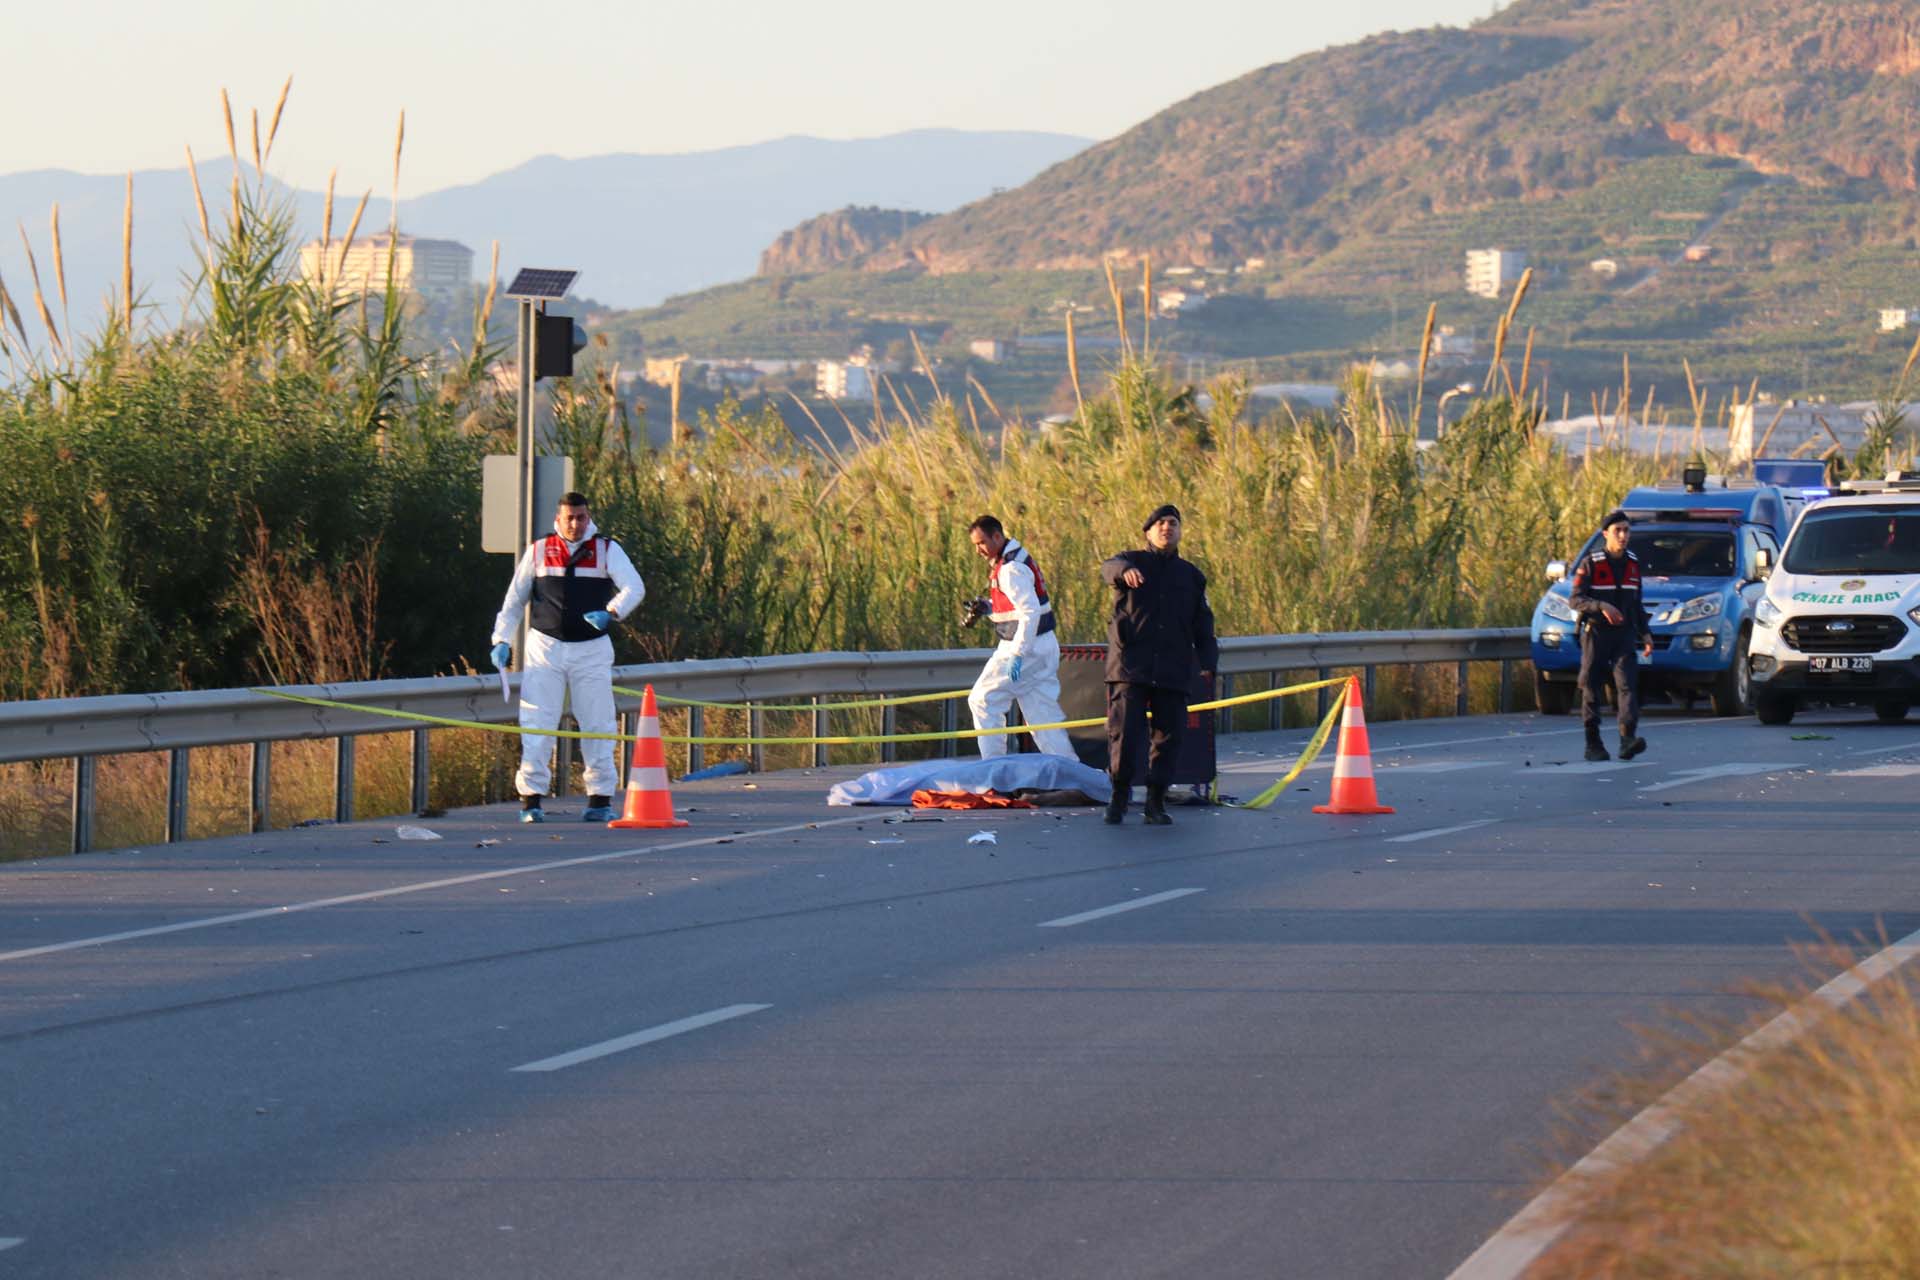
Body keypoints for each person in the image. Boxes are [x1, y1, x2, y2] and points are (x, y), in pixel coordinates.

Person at [489, 492, 646, 822]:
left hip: (592, 648)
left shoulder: (606, 550)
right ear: (558, 520)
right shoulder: (539, 550)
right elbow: (514, 600)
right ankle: (531, 800)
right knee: (537, 721)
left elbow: (634, 586)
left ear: (588, 518)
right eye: (569, 518)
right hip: (545, 647)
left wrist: (612, 612)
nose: (575, 523)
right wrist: (501, 639)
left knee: (597, 722)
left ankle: (600, 798)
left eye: (581, 517)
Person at [1100, 504, 1217, 825]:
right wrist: (1124, 572)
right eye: (1161, 523)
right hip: (1130, 667)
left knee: (1168, 738)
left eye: (1173, 523)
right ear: (1148, 531)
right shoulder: (1130, 561)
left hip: (1172, 669)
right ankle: (1119, 798)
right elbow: (1108, 567)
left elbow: (1203, 624)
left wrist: (1208, 662)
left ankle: (1155, 803)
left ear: (1180, 531)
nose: (1167, 528)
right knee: (1125, 735)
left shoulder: (1192, 576)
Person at [962, 515, 1074, 759]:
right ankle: (1072, 773)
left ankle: (995, 770)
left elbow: (1030, 613)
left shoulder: (1010, 569)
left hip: (1025, 646)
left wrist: (1018, 654)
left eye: (981, 543)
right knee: (1042, 716)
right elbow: (1021, 606)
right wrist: (989, 608)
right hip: (1043, 644)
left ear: (997, 537)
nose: (979, 550)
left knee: (983, 700)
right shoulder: (1014, 560)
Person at [1569, 508, 1653, 763]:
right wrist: (1601, 607)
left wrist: (1646, 634)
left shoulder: (1633, 564)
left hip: (1624, 636)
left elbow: (1636, 604)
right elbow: (1575, 600)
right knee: (1591, 687)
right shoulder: (1591, 563)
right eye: (1618, 531)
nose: (1623, 535)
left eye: (1627, 530)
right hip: (1596, 634)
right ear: (1606, 534)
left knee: (1627, 685)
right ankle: (1592, 743)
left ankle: (1628, 739)